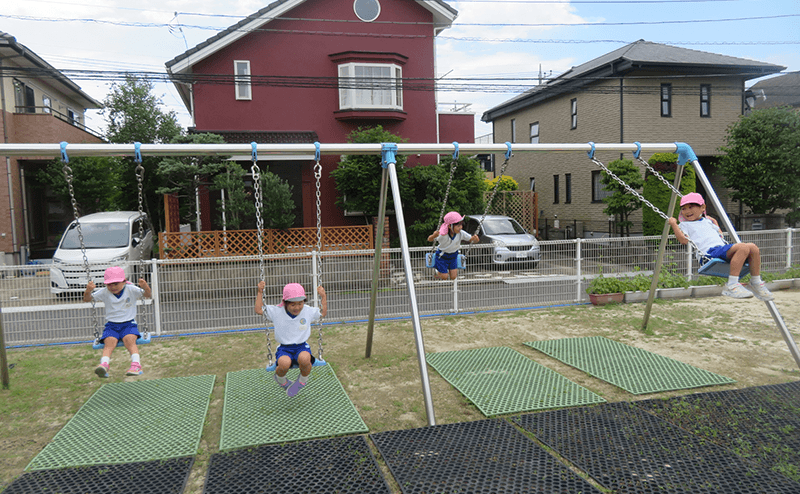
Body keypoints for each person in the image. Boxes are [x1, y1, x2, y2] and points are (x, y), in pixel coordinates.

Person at [668, 192, 773, 301]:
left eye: (691, 207)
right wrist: (674, 225)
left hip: (720, 248)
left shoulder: (707, 221)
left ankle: (756, 283)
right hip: (709, 253)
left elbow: (719, 235)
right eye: (683, 209)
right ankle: (732, 285)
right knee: (743, 247)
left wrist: (715, 223)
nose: (687, 211)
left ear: (702, 207)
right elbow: (683, 240)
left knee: (753, 247)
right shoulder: (685, 225)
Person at [255, 281, 327, 397]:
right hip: (284, 348)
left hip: (301, 346)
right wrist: (259, 292)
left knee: (305, 359)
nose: (297, 307)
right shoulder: (277, 312)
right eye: (293, 304)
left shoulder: (307, 311)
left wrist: (323, 296)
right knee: (284, 364)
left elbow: (322, 313)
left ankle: (302, 381)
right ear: (285, 303)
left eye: (300, 303)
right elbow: (259, 310)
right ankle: (282, 381)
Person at [83, 266, 152, 378]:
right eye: (109, 284)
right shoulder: (105, 292)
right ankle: (104, 365)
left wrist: (145, 287)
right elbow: (87, 299)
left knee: (129, 340)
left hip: (129, 324)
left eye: (116, 283)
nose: (113, 287)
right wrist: (88, 291)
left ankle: (136, 365)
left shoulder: (131, 289)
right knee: (109, 342)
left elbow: (147, 295)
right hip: (111, 325)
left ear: (124, 282)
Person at [427, 211, 480, 280]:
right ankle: (437, 271)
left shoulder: (461, 233)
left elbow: (471, 239)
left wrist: (475, 239)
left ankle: (444, 270)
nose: (460, 227)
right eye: (458, 226)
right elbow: (429, 239)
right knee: (444, 277)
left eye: (461, 225)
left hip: (453, 256)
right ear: (450, 226)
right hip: (442, 256)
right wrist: (433, 236)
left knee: (453, 277)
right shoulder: (443, 235)